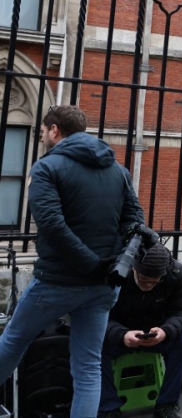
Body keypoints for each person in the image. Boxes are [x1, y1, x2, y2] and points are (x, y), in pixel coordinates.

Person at [0, 105, 144, 418]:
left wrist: (89, 262)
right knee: (88, 368)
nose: (41, 138)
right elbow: (135, 221)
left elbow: (51, 224)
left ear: (54, 130)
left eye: (41, 132)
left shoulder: (46, 167)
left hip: (59, 281)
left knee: (12, 342)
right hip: (103, 284)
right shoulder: (118, 170)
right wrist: (111, 262)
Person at [99, 243, 182, 418]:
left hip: (156, 334)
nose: (149, 284)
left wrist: (166, 331)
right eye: (144, 279)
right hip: (121, 334)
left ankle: (167, 404)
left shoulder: (175, 275)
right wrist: (121, 335)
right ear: (133, 268)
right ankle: (108, 408)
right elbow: (99, 315)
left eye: (155, 281)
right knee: (92, 344)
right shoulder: (115, 273)